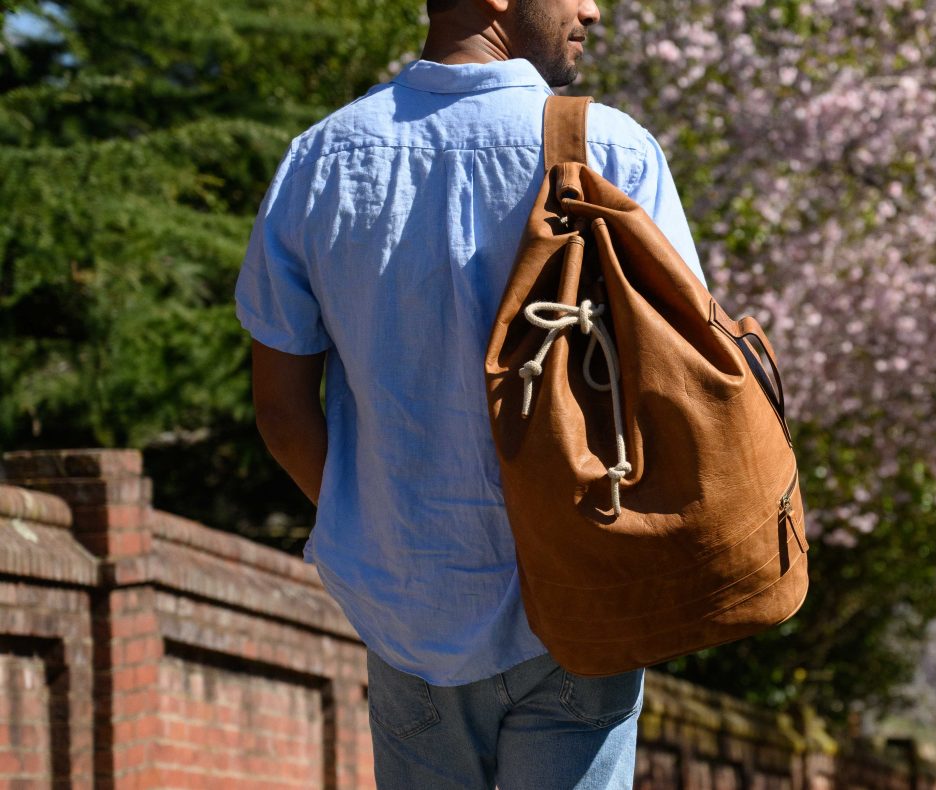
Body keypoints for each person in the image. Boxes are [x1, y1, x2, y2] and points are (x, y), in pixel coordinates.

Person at [233, 0, 706, 786]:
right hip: (579, 605)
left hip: (409, 616)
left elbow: (282, 411)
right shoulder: (613, 151)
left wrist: (378, 520)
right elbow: (684, 389)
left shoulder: (319, 162)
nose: (593, 7)